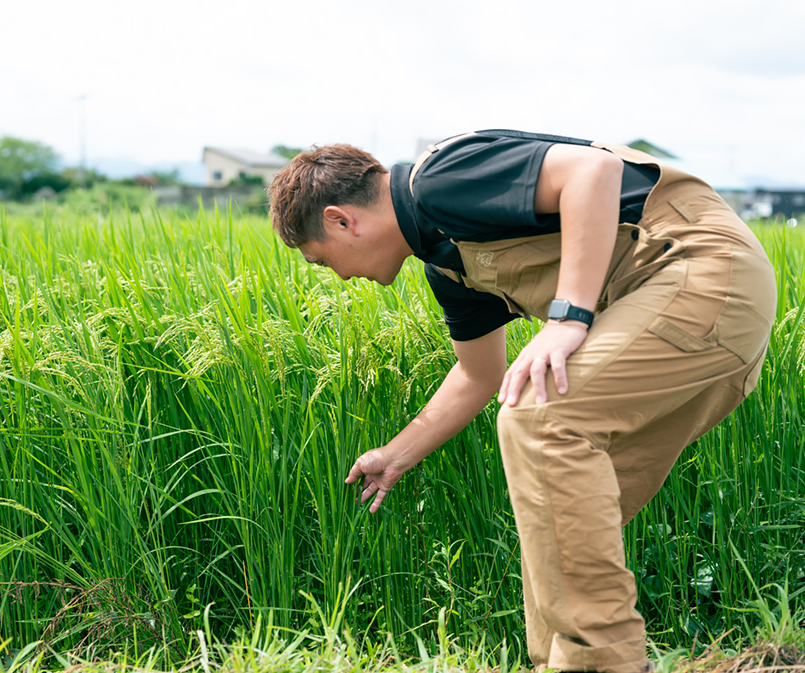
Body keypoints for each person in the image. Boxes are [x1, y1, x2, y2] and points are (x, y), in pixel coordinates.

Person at [266, 129, 776, 673]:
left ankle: (603, 665)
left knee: (538, 416)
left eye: (323, 261)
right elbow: (478, 374)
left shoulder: (441, 178)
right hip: (696, 324)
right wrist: (396, 453)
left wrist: (568, 316)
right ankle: (555, 662)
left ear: (342, 220)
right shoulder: (447, 264)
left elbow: (590, 172)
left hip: (699, 276)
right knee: (551, 509)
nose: (339, 276)